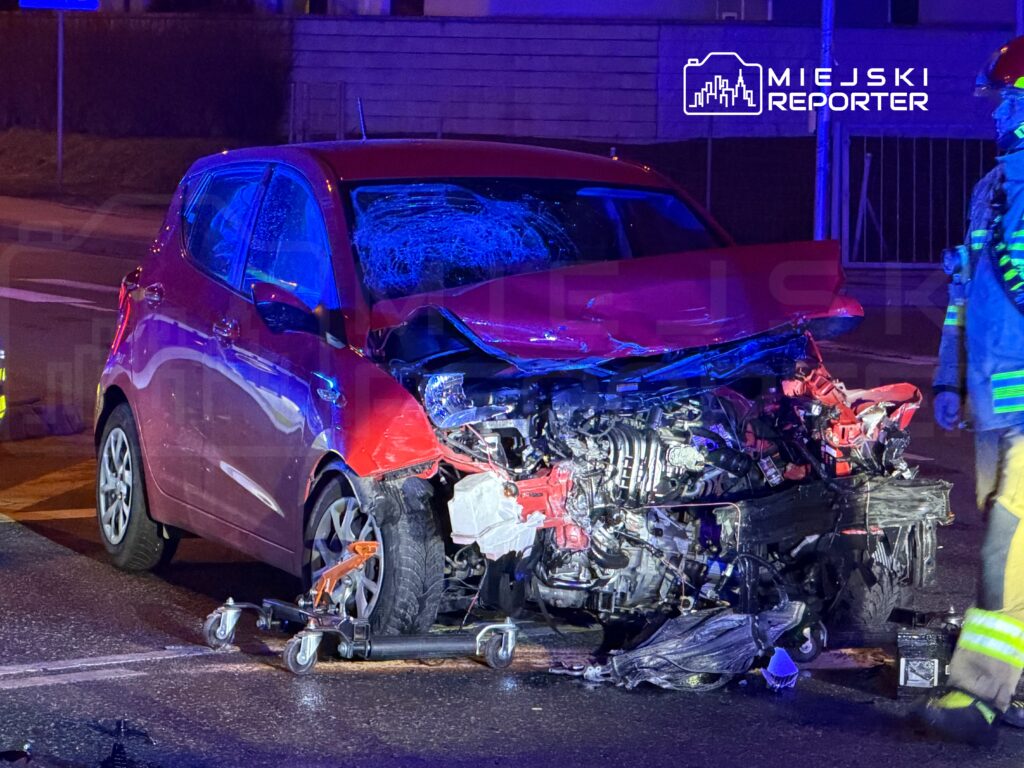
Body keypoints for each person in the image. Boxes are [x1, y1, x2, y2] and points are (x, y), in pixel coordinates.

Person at [918, 37, 1024, 745]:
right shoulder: (991, 190)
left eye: (1008, 97)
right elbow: (963, 297)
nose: (996, 111)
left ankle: (978, 696)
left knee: (1002, 545)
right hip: (995, 404)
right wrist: (947, 380)